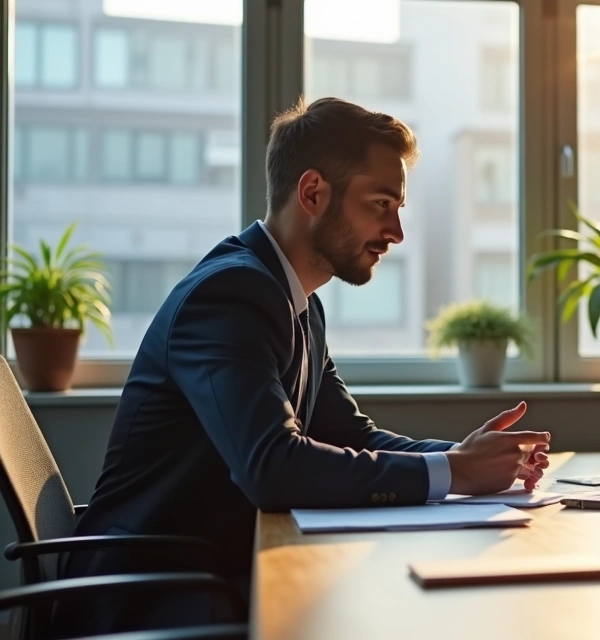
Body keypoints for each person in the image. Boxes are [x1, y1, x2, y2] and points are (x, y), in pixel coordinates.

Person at [54, 98, 550, 636]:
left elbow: (349, 433)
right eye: (381, 203)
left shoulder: (298, 302)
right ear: (312, 192)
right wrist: (454, 473)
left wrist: (460, 456)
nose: (397, 232)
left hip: (211, 577)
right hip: (152, 598)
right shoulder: (230, 294)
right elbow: (272, 466)